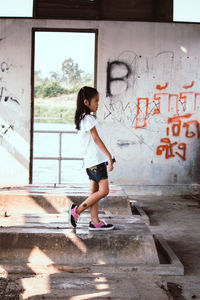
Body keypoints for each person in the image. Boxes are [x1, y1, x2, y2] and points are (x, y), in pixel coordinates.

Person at [69, 86, 114, 231]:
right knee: (104, 191)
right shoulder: (88, 118)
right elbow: (96, 139)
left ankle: (95, 222)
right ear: (86, 102)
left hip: (91, 161)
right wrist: (108, 156)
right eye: (96, 101)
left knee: (94, 192)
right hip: (96, 161)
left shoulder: (83, 118)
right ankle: (76, 211)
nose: (98, 104)